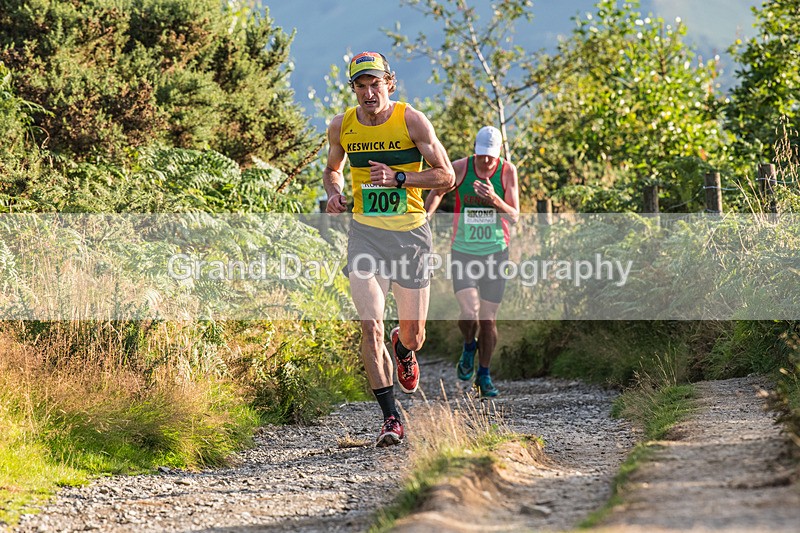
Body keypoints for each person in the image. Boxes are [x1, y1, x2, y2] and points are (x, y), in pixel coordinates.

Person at [322, 51, 455, 447]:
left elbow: (445, 176)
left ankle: (404, 346)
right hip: (366, 235)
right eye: (360, 86)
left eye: (375, 84)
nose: (368, 93)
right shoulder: (341, 126)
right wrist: (335, 193)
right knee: (370, 325)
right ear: (354, 90)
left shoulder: (411, 119)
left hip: (411, 235)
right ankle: (390, 418)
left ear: (389, 84)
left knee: (414, 336)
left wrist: (400, 177)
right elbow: (332, 170)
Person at [424, 126, 520, 397]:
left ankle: (484, 375)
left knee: (488, 320)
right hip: (464, 252)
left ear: (498, 153)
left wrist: (494, 199)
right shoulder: (461, 168)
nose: (486, 161)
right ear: (475, 150)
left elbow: (514, 215)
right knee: (470, 313)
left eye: (490, 156)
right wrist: (426, 217)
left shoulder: (507, 172)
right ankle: (468, 345)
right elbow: (440, 190)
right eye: (481, 155)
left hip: (496, 253)